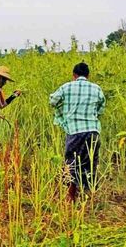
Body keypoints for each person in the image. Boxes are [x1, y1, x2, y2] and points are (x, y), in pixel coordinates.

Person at [49, 62, 106, 202]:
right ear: (88, 75)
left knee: (72, 162)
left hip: (75, 131)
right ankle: (89, 195)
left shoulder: (67, 87)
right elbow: (101, 109)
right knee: (90, 163)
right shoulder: (96, 88)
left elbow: (52, 101)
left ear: (74, 75)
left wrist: (64, 109)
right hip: (93, 130)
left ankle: (71, 196)